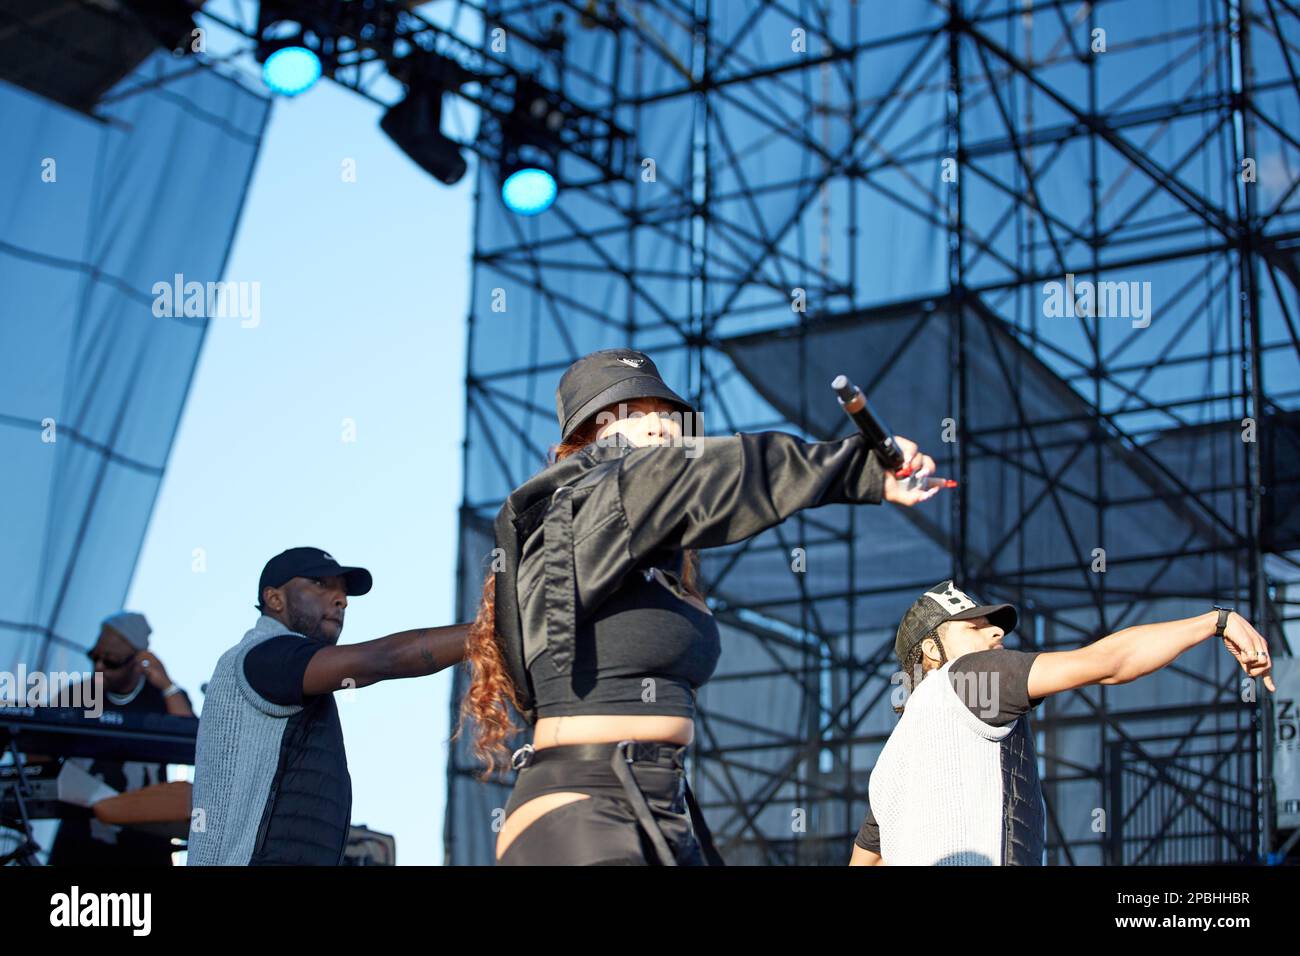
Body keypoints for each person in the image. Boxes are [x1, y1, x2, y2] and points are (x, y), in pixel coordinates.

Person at [459, 348, 949, 865]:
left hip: (662, 803)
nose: (658, 427)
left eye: (666, 415)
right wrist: (857, 469)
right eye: (628, 415)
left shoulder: (645, 565)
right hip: (581, 808)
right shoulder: (582, 500)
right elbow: (715, 475)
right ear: (580, 443)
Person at [848, 580, 1275, 866]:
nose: (995, 634)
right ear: (932, 651)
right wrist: (1216, 622)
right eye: (974, 626)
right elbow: (1109, 663)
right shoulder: (967, 679)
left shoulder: (888, 768)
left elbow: (864, 859)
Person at [186, 547, 469, 865]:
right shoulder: (263, 655)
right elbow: (382, 660)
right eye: (321, 584)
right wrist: (488, 633)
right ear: (274, 598)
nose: (341, 600)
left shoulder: (281, 665)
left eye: (344, 591)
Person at [48, 611, 193, 866]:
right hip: (80, 838)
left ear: (138, 661)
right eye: (94, 656)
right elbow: (38, 748)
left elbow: (195, 742)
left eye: (111, 661)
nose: (100, 666)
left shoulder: (162, 698)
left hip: (146, 837)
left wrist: (167, 684)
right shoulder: (75, 695)